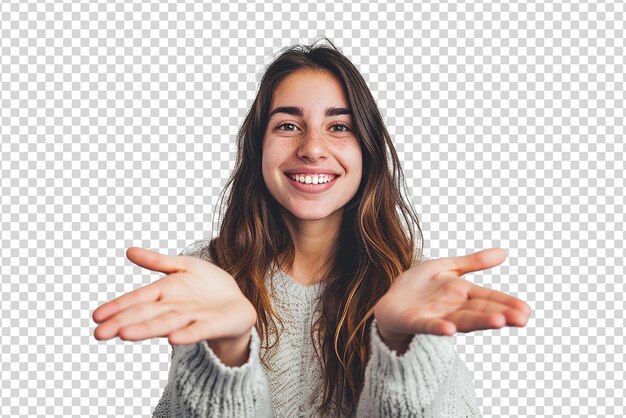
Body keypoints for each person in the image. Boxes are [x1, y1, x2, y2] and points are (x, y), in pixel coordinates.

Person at [92, 38, 532, 417]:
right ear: (257, 148)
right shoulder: (208, 275)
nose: (313, 149)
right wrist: (227, 351)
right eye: (288, 125)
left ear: (368, 151)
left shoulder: (415, 285)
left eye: (339, 126)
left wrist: (399, 346)